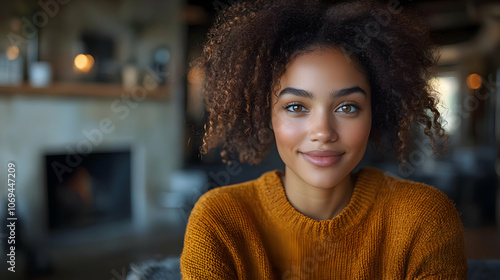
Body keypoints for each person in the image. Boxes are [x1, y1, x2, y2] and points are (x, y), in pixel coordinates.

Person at [180, 0, 468, 279]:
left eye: (347, 107)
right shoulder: (219, 222)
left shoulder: (423, 218)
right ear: (267, 114)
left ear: (374, 115)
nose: (322, 132)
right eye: (296, 107)